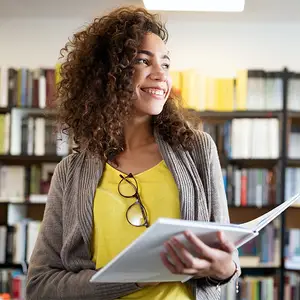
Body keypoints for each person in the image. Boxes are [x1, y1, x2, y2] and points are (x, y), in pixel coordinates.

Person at [26, 6, 240, 300]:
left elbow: (227, 265)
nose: (161, 76)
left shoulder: (197, 150)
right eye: (143, 60)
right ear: (109, 74)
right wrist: (134, 277)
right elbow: (41, 285)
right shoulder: (70, 172)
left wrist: (226, 268)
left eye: (165, 64)